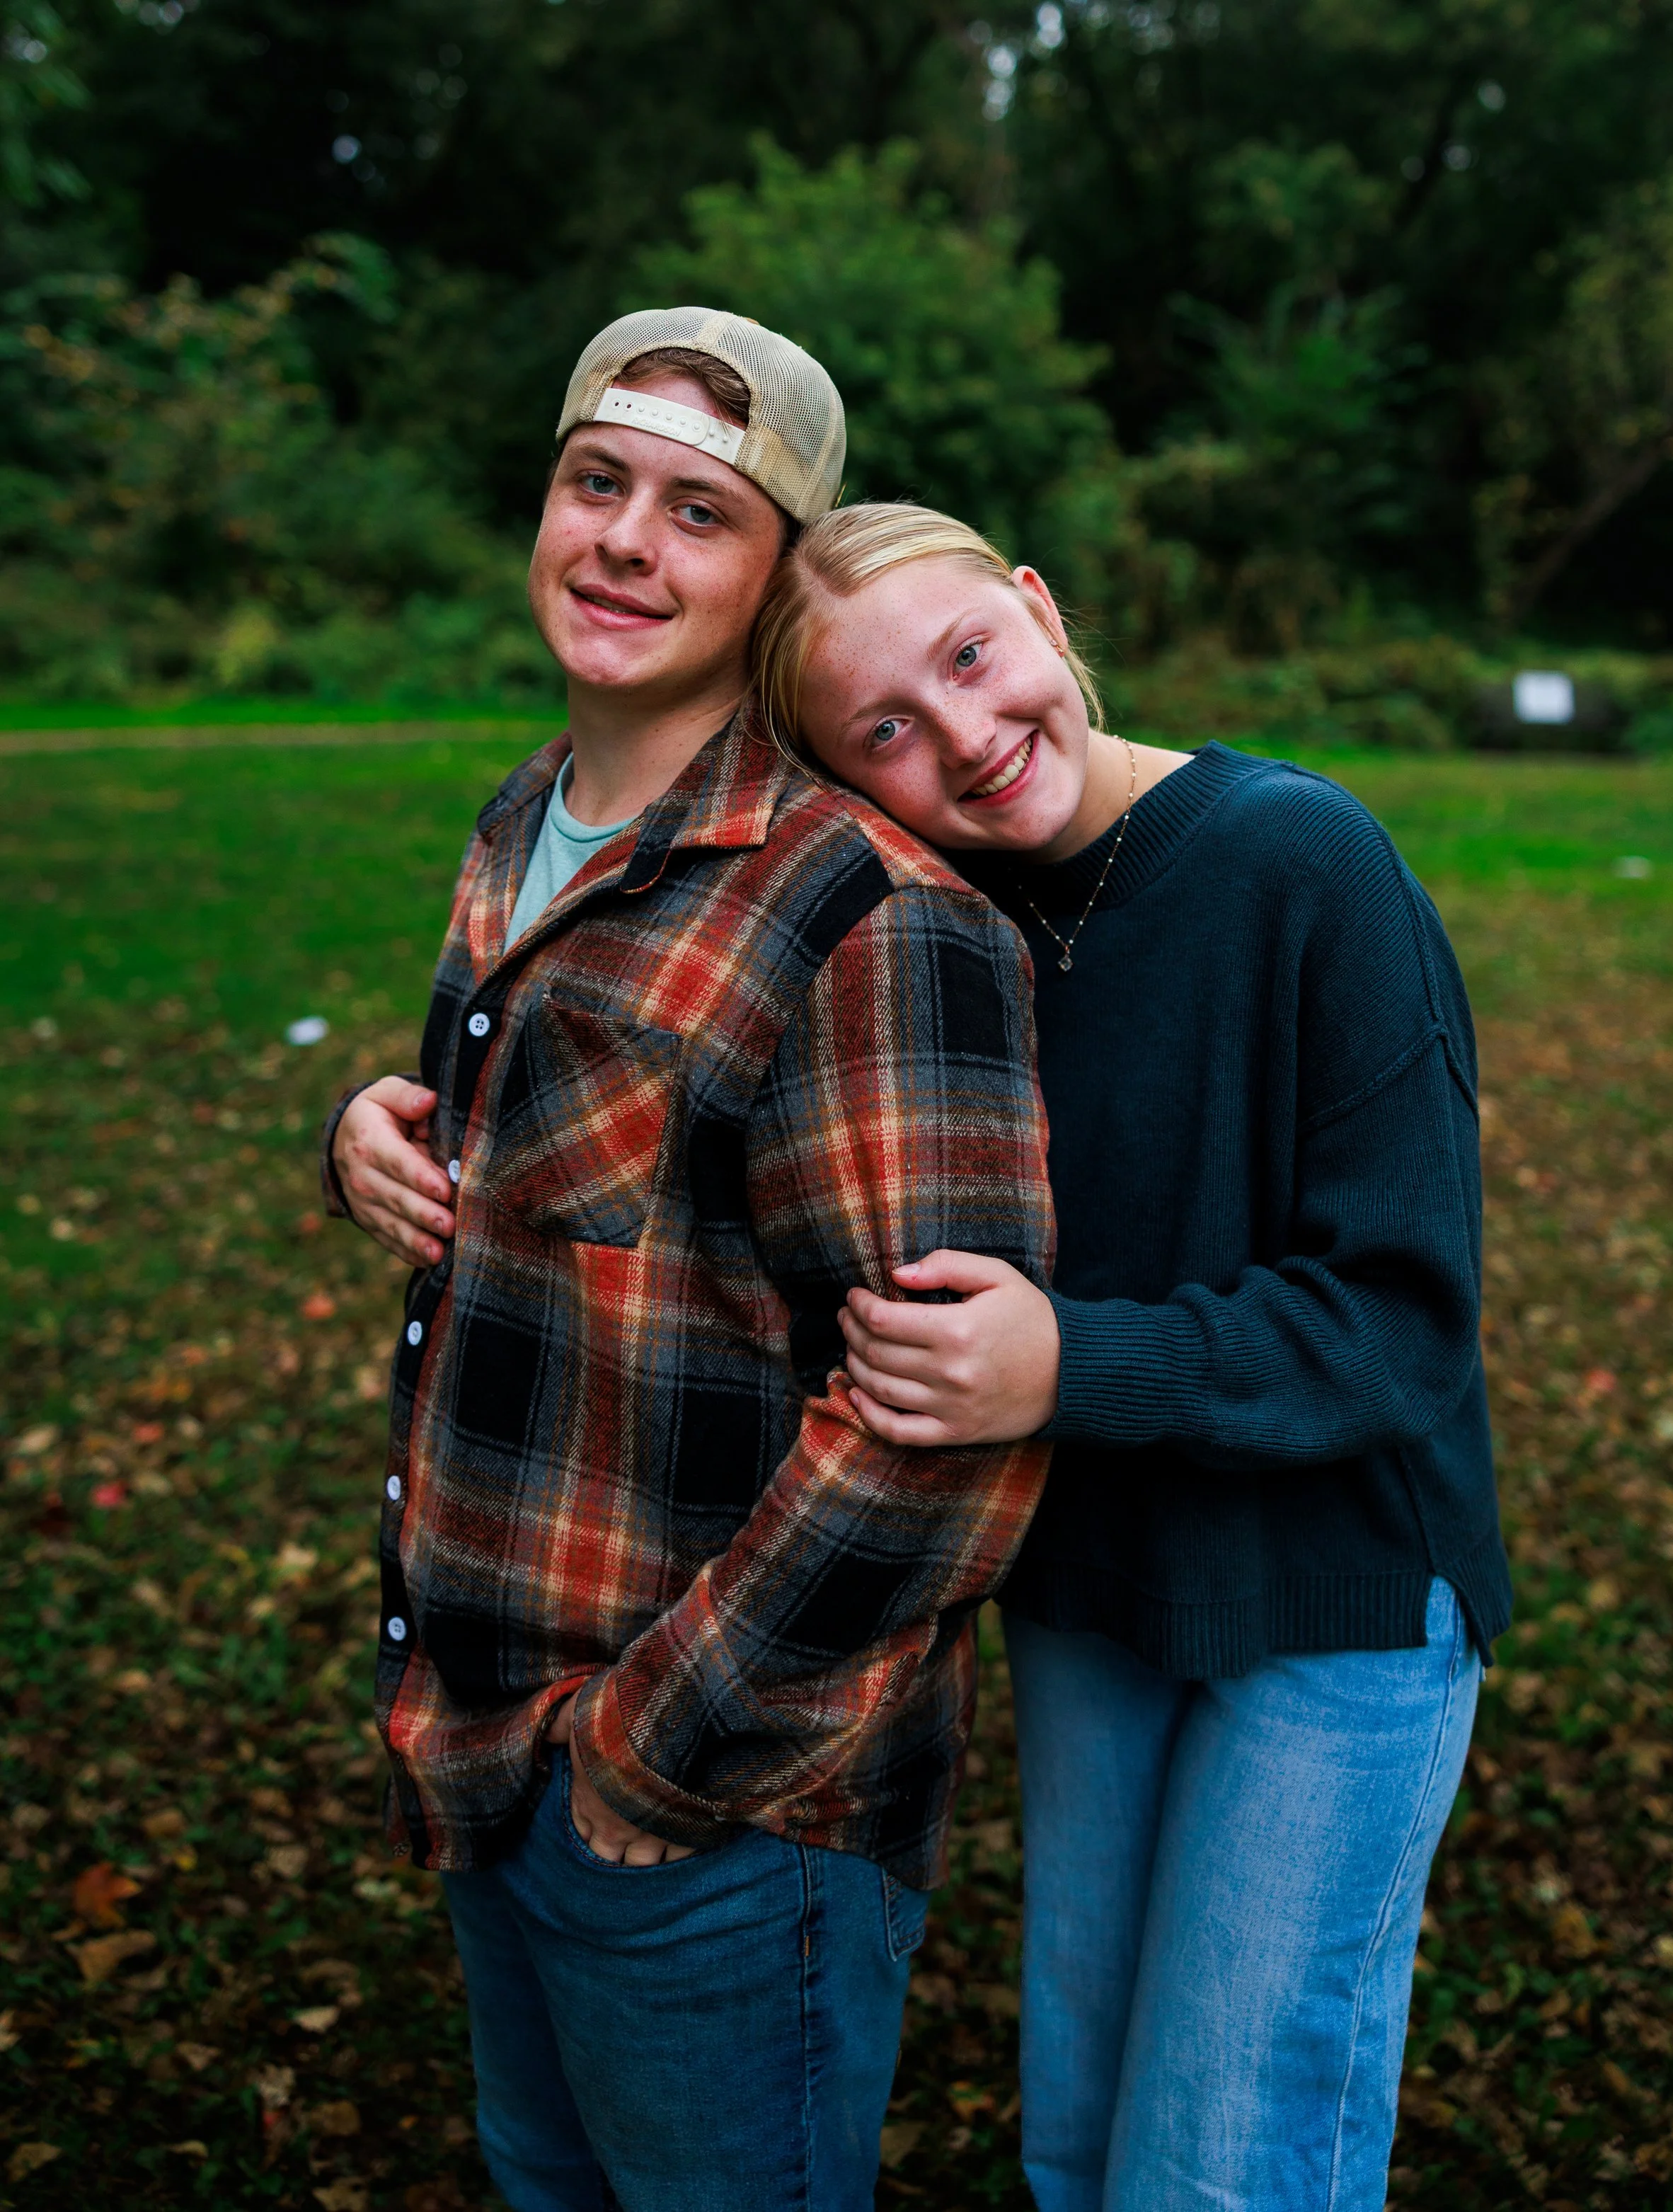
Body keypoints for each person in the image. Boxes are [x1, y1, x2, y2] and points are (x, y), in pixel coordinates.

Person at [324, 324, 1054, 2212]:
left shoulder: (867, 915)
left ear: (770, 578)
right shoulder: (525, 818)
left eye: (700, 513)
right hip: (483, 1736)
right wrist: (367, 1137)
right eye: (599, 482)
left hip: (716, 1805)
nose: (628, 542)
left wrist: (650, 1759)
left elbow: (938, 1434)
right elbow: (565, 1164)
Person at [749, 501, 1512, 2212]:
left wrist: (1060, 1368)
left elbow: (1402, 1322)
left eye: (971, 654)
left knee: (1220, 2163)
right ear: (841, 781)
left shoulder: (1298, 859)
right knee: (1081, 2138)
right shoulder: (930, 920)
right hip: (1093, 1584)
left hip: (1331, 1593)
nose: (966, 734)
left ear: (1037, 605)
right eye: (887, 728)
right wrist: (391, 1112)